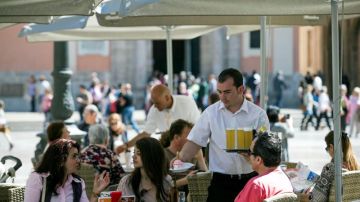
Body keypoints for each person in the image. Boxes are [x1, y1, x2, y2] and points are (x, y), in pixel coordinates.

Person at [176, 68, 270, 202]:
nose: (222, 97)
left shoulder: (258, 114)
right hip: (220, 182)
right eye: (219, 92)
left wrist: (251, 154)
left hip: (251, 180)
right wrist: (180, 159)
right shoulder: (210, 113)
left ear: (240, 89)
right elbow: (195, 141)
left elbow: (265, 150)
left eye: (227, 92)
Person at [115, 84, 200, 154]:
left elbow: (197, 129)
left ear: (167, 98)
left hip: (190, 149)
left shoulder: (187, 103)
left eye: (157, 103)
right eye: (153, 103)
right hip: (168, 151)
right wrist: (126, 145)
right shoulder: (154, 110)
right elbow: (145, 134)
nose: (155, 106)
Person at [25, 139, 110, 202]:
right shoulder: (38, 178)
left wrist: (95, 193)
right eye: (74, 156)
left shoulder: (78, 183)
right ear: (60, 160)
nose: (78, 160)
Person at [234, 132, 293, 202]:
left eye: (250, 152)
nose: (248, 155)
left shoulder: (257, 185)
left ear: (258, 159)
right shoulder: (284, 178)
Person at [305, 131, 360, 202]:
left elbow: (316, 199)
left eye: (327, 148)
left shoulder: (330, 168)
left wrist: (303, 197)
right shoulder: (354, 164)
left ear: (331, 147)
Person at [117, 137, 173, 201]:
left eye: (139, 153)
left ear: (151, 155)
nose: (134, 156)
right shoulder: (126, 182)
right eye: (134, 152)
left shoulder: (166, 181)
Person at [159, 119, 207, 193]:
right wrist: (185, 180)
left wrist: (200, 159)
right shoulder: (162, 156)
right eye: (190, 137)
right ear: (176, 138)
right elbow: (161, 186)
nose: (193, 140)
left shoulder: (193, 154)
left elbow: (207, 181)